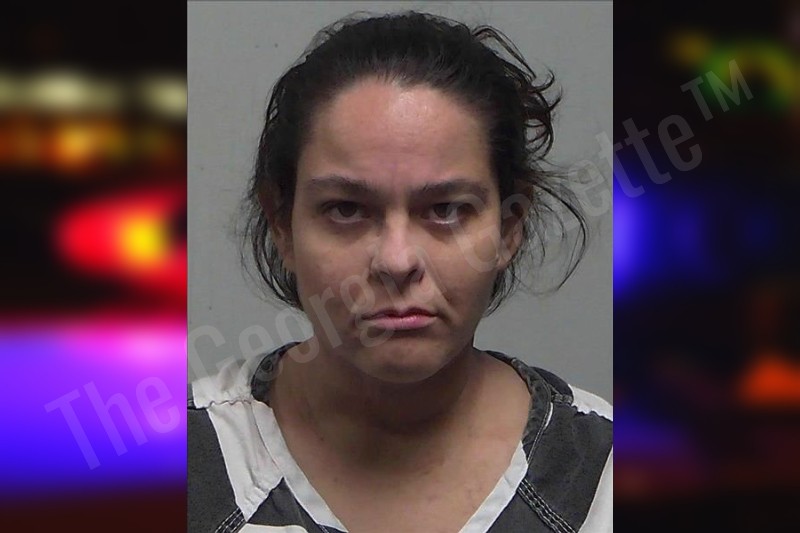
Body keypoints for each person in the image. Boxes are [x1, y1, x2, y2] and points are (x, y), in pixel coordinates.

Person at [188, 10, 612, 533]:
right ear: (282, 224)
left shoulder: (606, 477)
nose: (396, 260)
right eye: (346, 209)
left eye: (447, 209)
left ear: (508, 227)